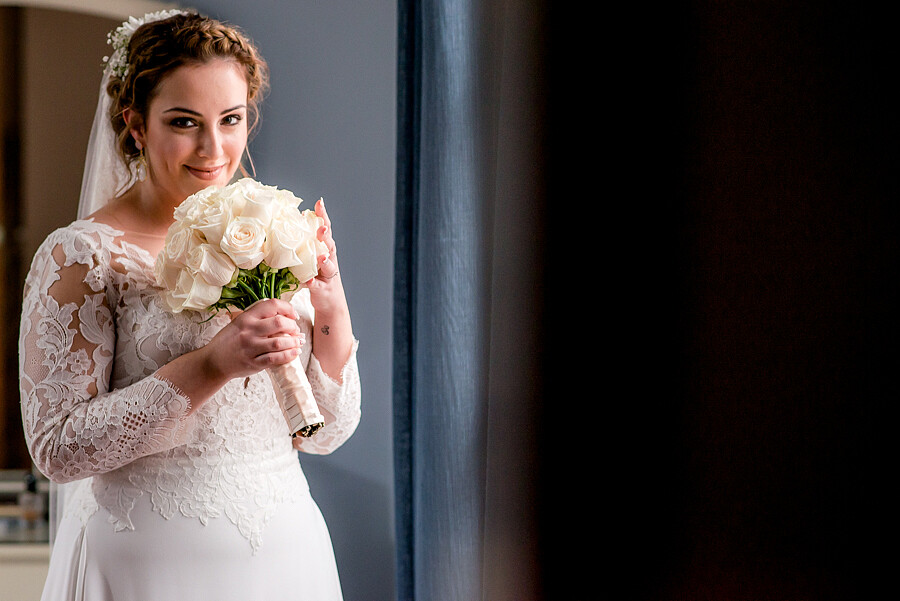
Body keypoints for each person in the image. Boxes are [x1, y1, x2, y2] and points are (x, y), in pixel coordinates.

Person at [18, 10, 360, 600]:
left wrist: (329, 303)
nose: (213, 148)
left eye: (231, 120)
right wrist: (211, 365)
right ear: (135, 124)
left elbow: (326, 432)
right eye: (184, 122)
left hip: (284, 552)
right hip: (146, 559)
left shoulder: (272, 231)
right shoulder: (82, 256)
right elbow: (57, 448)